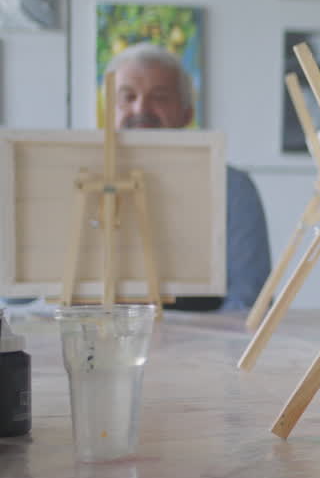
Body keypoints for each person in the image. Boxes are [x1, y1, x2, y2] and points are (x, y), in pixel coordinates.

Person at [108, 43, 271, 312]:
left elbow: (247, 302)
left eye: (159, 97)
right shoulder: (77, 181)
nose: (141, 108)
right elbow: (18, 298)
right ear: (109, 111)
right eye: (127, 97)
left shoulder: (233, 188)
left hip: (202, 346)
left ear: (187, 114)